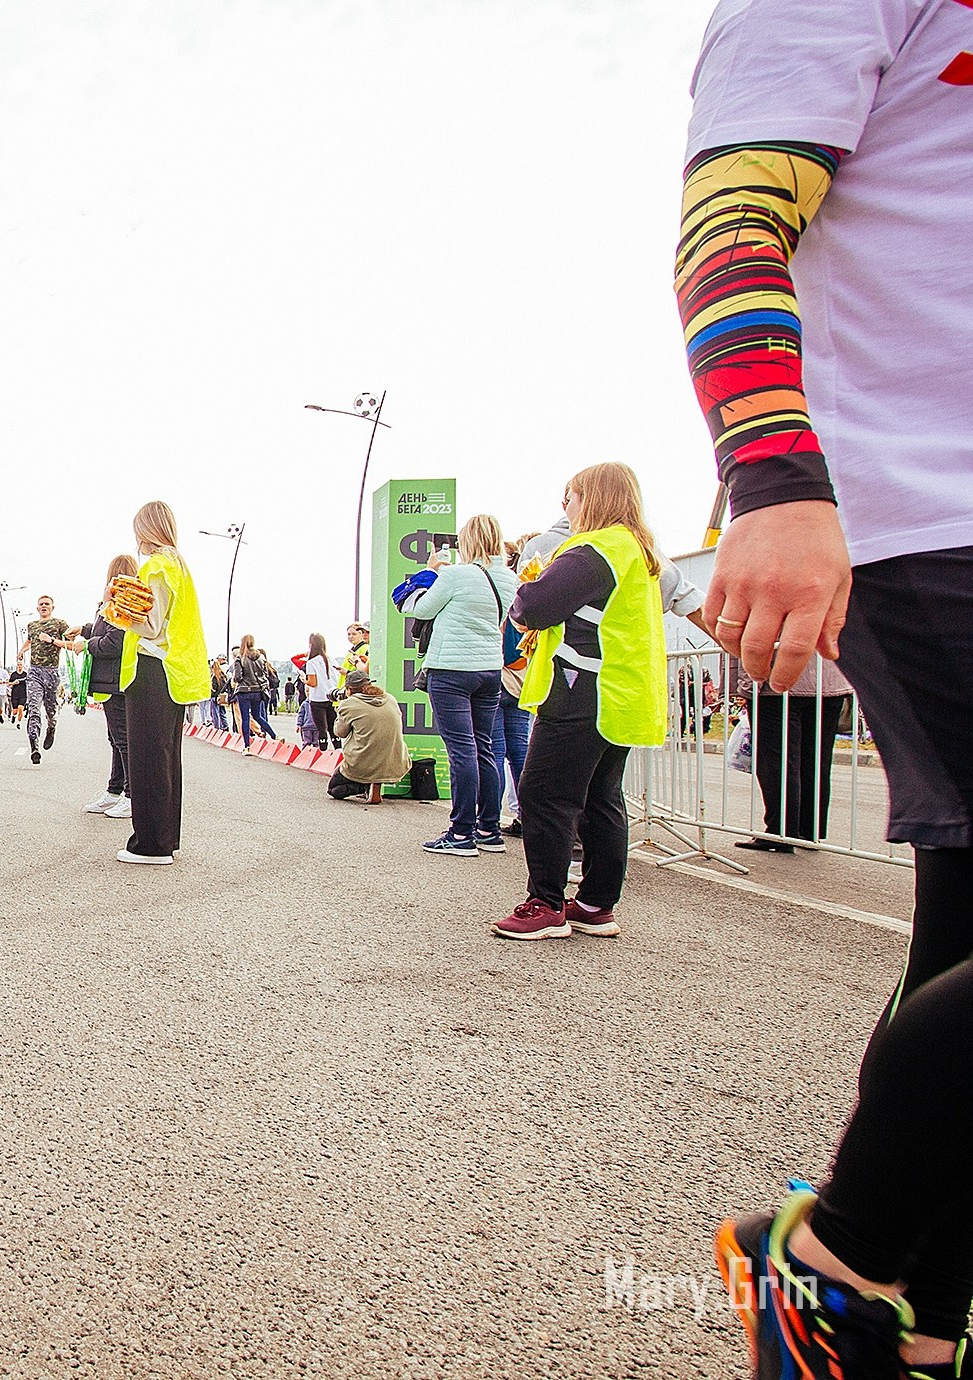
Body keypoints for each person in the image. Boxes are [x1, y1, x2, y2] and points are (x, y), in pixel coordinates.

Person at [676, 11, 973, 1369]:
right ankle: (834, 1270)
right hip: (920, 509)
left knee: (966, 933)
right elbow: (734, 214)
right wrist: (776, 479)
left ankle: (915, 1312)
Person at [493, 464, 664, 943]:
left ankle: (545, 903)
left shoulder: (594, 550)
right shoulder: (638, 551)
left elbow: (534, 606)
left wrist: (530, 583)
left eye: (568, 497)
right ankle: (595, 903)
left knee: (544, 793)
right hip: (619, 692)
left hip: (580, 687)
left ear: (591, 497)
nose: (564, 507)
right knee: (601, 797)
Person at [404, 514, 520, 856]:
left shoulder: (455, 575)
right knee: (484, 747)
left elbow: (421, 609)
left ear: (466, 541)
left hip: (451, 670)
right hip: (490, 670)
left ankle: (460, 833)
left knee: (462, 751)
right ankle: (489, 828)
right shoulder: (509, 578)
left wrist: (430, 572)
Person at [114, 502, 209, 864]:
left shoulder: (155, 565)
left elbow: (150, 625)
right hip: (175, 671)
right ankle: (165, 838)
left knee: (148, 760)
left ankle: (150, 844)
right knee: (167, 759)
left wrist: (116, 607)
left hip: (151, 670)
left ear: (145, 530)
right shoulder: (179, 565)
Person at [738, 655, 854, 854]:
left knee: (778, 762)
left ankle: (782, 831)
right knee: (817, 761)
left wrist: (747, 684)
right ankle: (809, 830)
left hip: (778, 679)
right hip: (829, 680)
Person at [69, 554, 137, 818]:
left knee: (123, 740)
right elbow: (103, 632)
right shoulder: (112, 604)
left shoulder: (121, 604)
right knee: (116, 739)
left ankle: (131, 797)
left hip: (116, 681)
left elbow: (114, 643)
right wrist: (85, 629)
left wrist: (87, 645)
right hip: (110, 681)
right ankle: (114, 791)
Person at [327, 670, 409, 802]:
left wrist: (340, 710)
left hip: (363, 764)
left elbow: (339, 732)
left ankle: (365, 784)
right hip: (395, 762)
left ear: (349, 690)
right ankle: (373, 785)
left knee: (334, 789)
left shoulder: (349, 704)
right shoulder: (390, 698)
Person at [18, 596, 70, 762]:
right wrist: (22, 651)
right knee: (33, 709)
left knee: (50, 711)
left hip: (52, 672)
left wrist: (52, 640)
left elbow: (71, 644)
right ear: (37, 608)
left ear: (53, 607)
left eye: (47, 604)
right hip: (34, 672)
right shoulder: (32, 626)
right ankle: (34, 747)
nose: (44, 606)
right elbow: (29, 641)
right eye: (41, 604)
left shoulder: (60, 623)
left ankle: (51, 728)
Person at [229, 634, 281, 754]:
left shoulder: (240, 658)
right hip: (258, 691)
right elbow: (264, 674)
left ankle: (247, 747)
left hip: (244, 692)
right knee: (258, 716)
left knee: (245, 718)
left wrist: (236, 681)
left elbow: (238, 676)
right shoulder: (261, 657)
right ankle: (274, 736)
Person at [302, 634, 340, 748]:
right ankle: (338, 749)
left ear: (311, 645)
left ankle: (323, 750)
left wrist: (305, 680)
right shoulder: (332, 660)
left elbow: (313, 683)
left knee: (321, 728)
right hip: (332, 697)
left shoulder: (312, 662)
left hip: (318, 699)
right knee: (332, 727)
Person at [8, 659, 27, 726]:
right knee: (15, 710)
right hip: (15, 694)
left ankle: (19, 722)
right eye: (18, 665)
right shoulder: (13, 674)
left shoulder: (26, 674)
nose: (19, 666)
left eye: (21, 665)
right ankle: (14, 716)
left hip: (23, 694)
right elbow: (9, 683)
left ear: (23, 666)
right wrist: (13, 683)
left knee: (20, 708)